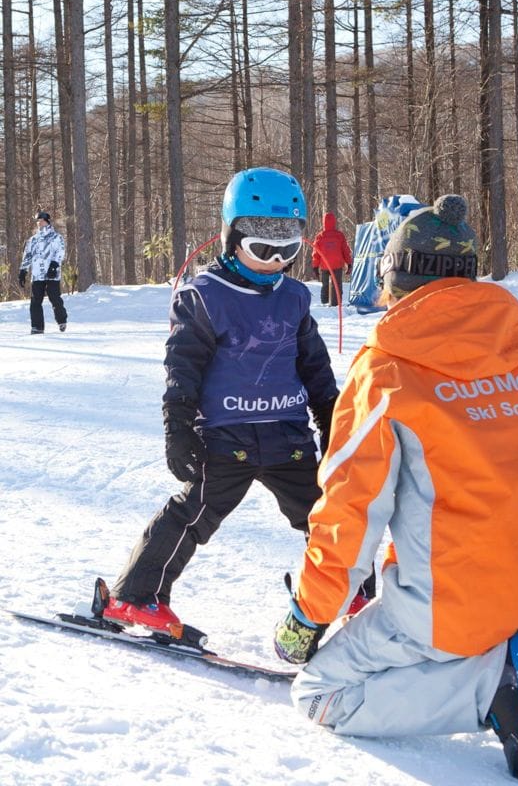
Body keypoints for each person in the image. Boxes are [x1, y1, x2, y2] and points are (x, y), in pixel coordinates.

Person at [274, 194, 518, 782]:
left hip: (450, 603)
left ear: (394, 275)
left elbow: (350, 510)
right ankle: (494, 650)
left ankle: (487, 693)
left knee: (320, 691)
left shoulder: (388, 370)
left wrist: (308, 614)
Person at [98, 167, 374, 637]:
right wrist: (178, 426)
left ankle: (353, 593)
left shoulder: (293, 296)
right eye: (261, 247)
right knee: (192, 515)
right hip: (226, 436)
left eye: (286, 248)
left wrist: (332, 418)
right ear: (231, 236)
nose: (273, 261)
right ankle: (134, 598)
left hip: (287, 436)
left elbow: (314, 366)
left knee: (329, 513)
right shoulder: (204, 297)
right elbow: (182, 368)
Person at [18, 210, 68, 334]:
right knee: (35, 301)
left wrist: (54, 265)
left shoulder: (57, 237)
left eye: (41, 221)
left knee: (55, 299)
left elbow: (60, 252)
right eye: (37, 221)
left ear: (47, 221)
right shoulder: (33, 240)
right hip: (37, 275)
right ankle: (37, 327)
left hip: (52, 274)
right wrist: (23, 270)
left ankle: (62, 320)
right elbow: (27, 255)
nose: (39, 223)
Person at [311, 212, 352, 307]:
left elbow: (316, 254)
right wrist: (349, 263)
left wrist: (315, 267)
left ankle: (324, 304)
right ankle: (336, 305)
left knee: (325, 285)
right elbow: (346, 251)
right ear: (334, 222)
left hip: (325, 265)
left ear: (323, 222)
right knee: (336, 286)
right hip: (337, 265)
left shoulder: (320, 236)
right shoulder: (339, 235)